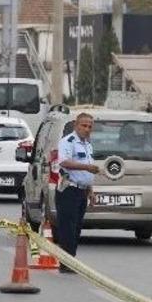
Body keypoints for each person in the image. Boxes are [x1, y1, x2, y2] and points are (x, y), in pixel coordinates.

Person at [54, 112, 100, 272]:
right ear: (76, 126)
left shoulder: (88, 145)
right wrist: (87, 167)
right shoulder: (68, 142)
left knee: (77, 228)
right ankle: (66, 263)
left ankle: (71, 261)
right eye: (84, 125)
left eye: (90, 126)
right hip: (69, 190)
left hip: (82, 191)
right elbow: (64, 162)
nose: (87, 129)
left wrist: (90, 190)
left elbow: (87, 174)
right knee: (67, 228)